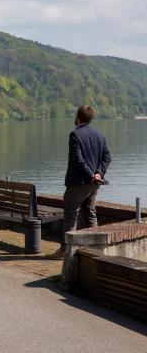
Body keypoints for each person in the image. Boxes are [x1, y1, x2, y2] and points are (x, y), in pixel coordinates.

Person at [45, 105, 111, 259]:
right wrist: (97, 174)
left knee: (71, 215)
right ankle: (95, 249)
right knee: (90, 214)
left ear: (77, 117)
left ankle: (65, 251)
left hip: (78, 183)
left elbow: (77, 160)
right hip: (93, 184)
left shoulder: (75, 135)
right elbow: (107, 158)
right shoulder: (99, 135)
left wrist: (90, 175)